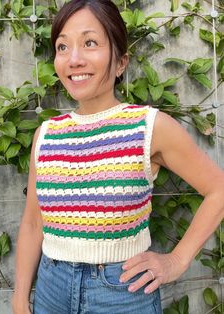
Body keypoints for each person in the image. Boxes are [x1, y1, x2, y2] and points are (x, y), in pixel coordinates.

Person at [12, 1, 224, 313]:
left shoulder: (150, 127)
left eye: (90, 43)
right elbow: (33, 223)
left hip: (122, 293)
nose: (74, 59)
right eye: (62, 46)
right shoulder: (46, 134)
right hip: (51, 289)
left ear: (121, 61)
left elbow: (218, 189)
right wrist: (19, 299)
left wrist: (177, 261)